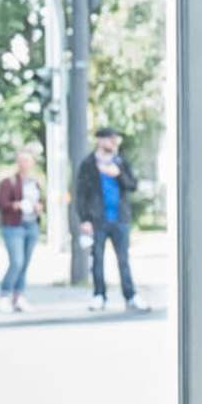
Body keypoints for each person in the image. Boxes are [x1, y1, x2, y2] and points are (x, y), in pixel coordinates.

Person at [77, 125, 141, 312]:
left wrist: (118, 174)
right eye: (110, 139)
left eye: (116, 139)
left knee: (123, 259)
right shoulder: (88, 164)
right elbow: (81, 194)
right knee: (97, 258)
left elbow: (132, 185)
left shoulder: (120, 162)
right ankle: (99, 295)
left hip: (119, 218)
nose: (114, 143)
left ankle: (130, 296)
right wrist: (85, 219)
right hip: (97, 219)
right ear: (100, 140)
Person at [0, 148, 43, 312]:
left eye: (27, 160)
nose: (24, 164)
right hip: (13, 226)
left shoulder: (34, 182)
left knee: (25, 263)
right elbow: (2, 204)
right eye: (21, 160)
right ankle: (4, 295)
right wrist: (18, 205)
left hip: (31, 225)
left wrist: (38, 207)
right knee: (17, 262)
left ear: (33, 163)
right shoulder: (9, 182)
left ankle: (18, 296)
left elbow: (40, 201)